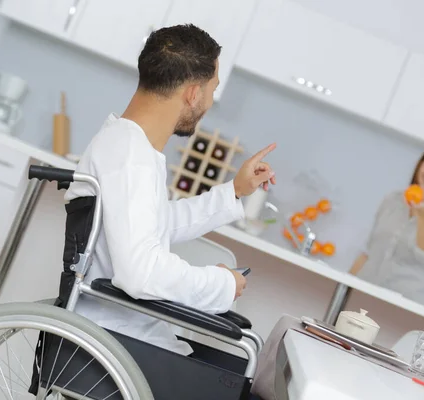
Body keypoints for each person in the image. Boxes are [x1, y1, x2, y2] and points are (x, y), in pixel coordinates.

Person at [64, 24, 276, 357]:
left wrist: (234, 191)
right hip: (121, 344)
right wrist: (221, 284)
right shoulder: (133, 158)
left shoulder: (125, 143)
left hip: (121, 334)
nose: (209, 102)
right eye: (211, 89)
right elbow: (141, 273)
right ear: (193, 93)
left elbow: (153, 222)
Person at [349, 141, 424, 305]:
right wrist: (346, 286)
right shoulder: (393, 200)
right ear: (420, 164)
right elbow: (368, 251)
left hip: (404, 306)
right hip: (363, 292)